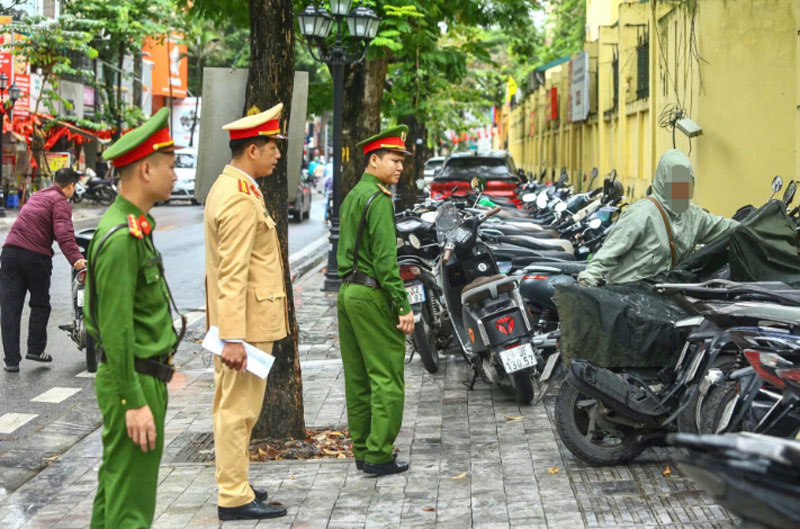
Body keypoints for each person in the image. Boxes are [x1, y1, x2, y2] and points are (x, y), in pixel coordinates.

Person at [84, 107, 185, 528]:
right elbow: (116, 327)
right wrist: (133, 401)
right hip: (134, 378)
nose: (175, 176)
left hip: (141, 374)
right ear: (146, 170)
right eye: (169, 166)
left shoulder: (134, 226)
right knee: (131, 510)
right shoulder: (123, 237)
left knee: (117, 494)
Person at [204, 103, 289, 521]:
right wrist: (233, 337)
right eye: (273, 147)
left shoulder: (235, 188)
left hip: (243, 323)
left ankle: (235, 483)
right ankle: (234, 497)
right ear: (252, 150)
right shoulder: (239, 198)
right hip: (246, 326)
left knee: (232, 408)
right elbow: (233, 273)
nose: (278, 154)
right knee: (239, 412)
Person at [336, 125, 415, 477]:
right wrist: (403, 305)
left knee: (358, 377)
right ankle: (380, 454)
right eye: (394, 160)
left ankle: (363, 450)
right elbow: (386, 262)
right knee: (386, 376)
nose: (400, 167)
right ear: (373, 161)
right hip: (371, 294)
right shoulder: (379, 200)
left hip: (348, 292)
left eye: (401, 161)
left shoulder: (354, 195)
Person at [578, 149, 739, 286]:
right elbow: (606, 256)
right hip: (628, 299)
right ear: (663, 181)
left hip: (664, 299)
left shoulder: (694, 217)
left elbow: (731, 228)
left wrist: (754, 223)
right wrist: (586, 284)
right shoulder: (641, 214)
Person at [1, 167, 86, 372]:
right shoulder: (61, 202)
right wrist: (76, 259)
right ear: (70, 186)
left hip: (10, 253)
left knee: (10, 308)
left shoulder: (38, 195)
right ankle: (35, 349)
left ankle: (11, 361)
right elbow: (64, 234)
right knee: (40, 304)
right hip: (35, 257)